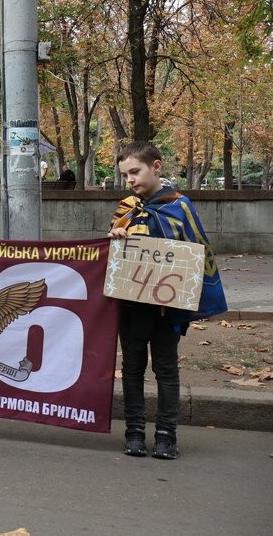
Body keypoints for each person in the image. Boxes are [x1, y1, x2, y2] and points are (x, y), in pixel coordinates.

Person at [107, 141, 227, 460]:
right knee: (132, 368)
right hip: (132, 306)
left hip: (166, 307)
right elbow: (113, 257)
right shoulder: (125, 207)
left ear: (155, 167)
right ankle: (133, 431)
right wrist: (117, 236)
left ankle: (166, 435)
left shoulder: (180, 205)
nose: (130, 179)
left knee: (166, 369)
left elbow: (197, 251)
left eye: (135, 171)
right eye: (125, 175)